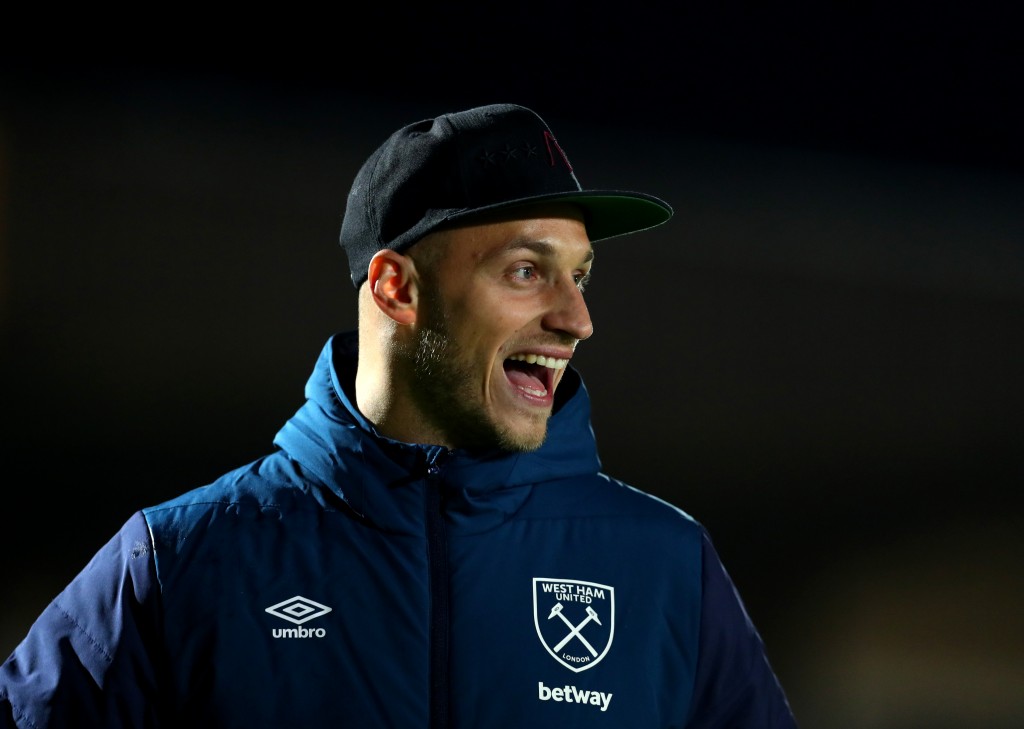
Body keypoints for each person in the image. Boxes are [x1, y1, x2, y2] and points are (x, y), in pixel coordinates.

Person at [0, 103, 797, 728]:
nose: (577, 318)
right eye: (528, 270)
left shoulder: (668, 566)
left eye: (580, 275)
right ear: (396, 288)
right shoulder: (179, 559)